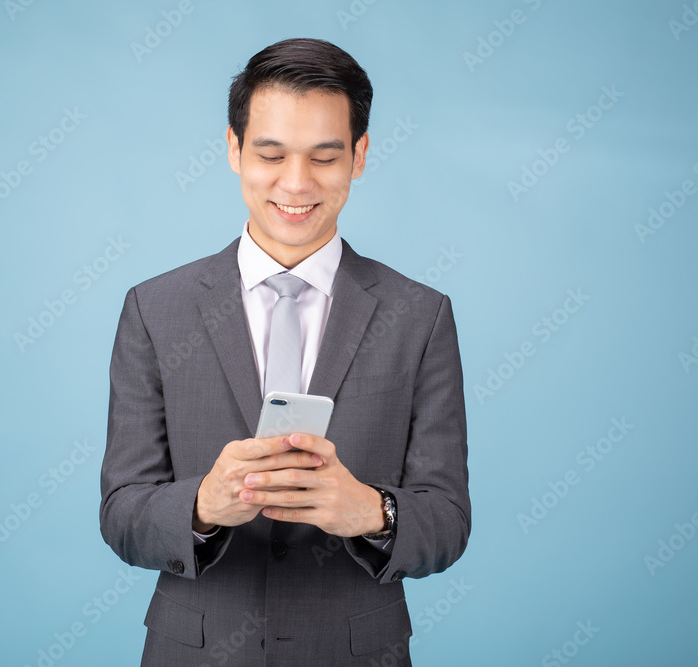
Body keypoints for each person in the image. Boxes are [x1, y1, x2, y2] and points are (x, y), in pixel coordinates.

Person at [100, 37, 470, 666]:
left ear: (359, 156)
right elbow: (122, 510)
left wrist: (372, 511)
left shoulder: (421, 316)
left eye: (325, 157)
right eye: (271, 154)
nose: (296, 185)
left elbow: (448, 520)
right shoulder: (154, 309)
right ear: (233, 150)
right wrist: (201, 505)